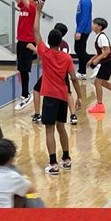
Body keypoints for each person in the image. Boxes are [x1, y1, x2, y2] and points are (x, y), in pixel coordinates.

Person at [35, 26, 82, 175]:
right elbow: (74, 78)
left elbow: (36, 31)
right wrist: (79, 96)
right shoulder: (67, 58)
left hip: (50, 96)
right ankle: (67, 159)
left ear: (48, 42)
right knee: (61, 127)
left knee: (49, 130)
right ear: (61, 42)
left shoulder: (45, 53)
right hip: (63, 96)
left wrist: (38, 11)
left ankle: (53, 163)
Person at [4, 0, 42, 109]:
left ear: (36, 1)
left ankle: (26, 94)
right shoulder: (25, 8)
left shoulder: (33, 9)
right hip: (21, 40)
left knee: (24, 69)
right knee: (21, 68)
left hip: (27, 42)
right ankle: (25, 93)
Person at [85, 18, 111, 113]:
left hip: (109, 61)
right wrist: (92, 59)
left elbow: (107, 51)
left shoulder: (102, 37)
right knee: (101, 82)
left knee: (97, 82)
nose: (92, 25)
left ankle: (99, 105)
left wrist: (97, 59)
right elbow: (100, 52)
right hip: (107, 61)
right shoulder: (98, 36)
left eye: (93, 24)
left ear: (99, 26)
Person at [74, 0, 93, 77]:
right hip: (81, 29)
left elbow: (85, 18)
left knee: (79, 50)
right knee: (81, 49)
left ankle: (95, 65)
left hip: (84, 30)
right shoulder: (82, 1)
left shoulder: (86, 2)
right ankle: (82, 71)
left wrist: (79, 31)